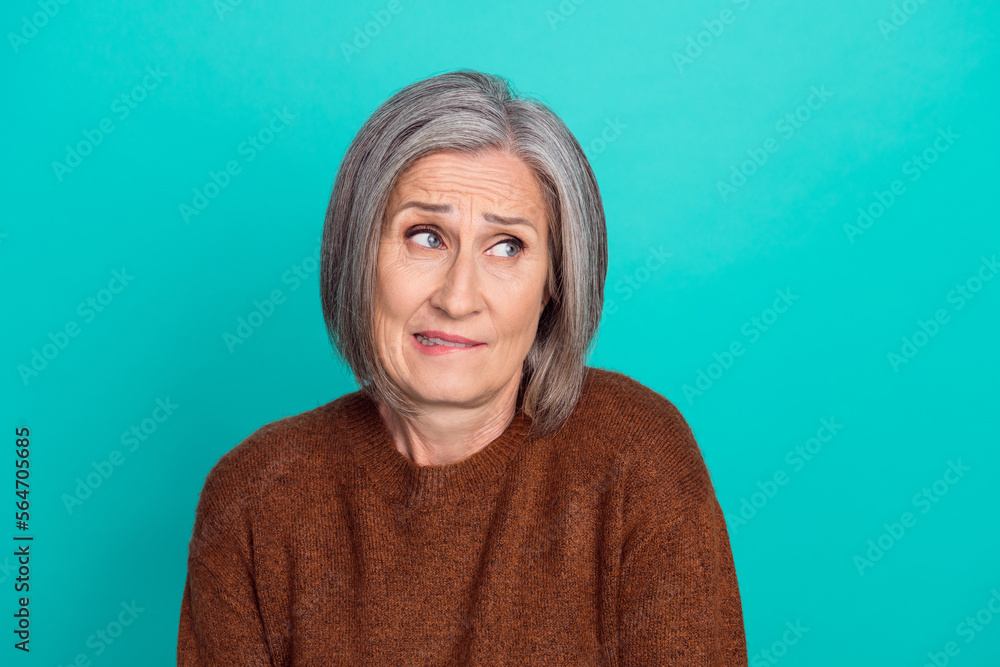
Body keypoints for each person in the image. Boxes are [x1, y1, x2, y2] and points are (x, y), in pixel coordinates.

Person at [177, 69, 748, 666]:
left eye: (507, 246)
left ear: (554, 285)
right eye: (426, 236)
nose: (458, 297)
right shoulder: (255, 494)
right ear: (357, 255)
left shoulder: (638, 455)